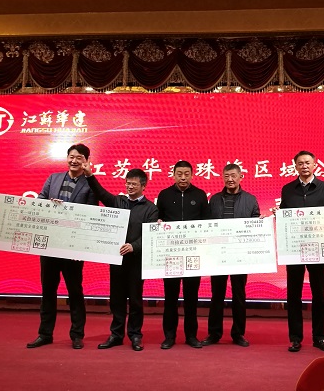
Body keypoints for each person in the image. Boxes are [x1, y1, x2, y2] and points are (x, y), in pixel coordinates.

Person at [27, 143, 98, 350]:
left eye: (79, 158)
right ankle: (45, 334)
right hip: (50, 243)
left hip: (73, 247)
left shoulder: (89, 184)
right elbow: (40, 201)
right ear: (67, 158)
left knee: (75, 291)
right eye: (71, 157)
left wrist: (82, 247)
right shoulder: (54, 178)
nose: (74, 161)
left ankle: (77, 335)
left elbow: (92, 214)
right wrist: (50, 205)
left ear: (86, 161)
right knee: (48, 290)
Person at [82, 165, 159, 352]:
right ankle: (116, 335)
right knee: (116, 299)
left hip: (137, 261)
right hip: (117, 260)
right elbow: (100, 193)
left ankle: (135, 335)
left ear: (143, 186)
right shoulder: (118, 201)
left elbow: (150, 234)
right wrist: (90, 175)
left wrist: (134, 246)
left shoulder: (151, 209)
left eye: (134, 184)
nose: (130, 187)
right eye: (128, 183)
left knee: (135, 300)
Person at [280, 151, 324, 353]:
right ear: (295, 166)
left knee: (319, 294)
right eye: (300, 163)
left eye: (307, 163)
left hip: (318, 248)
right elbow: (285, 215)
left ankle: (319, 337)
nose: (304, 166)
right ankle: (295, 338)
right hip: (294, 249)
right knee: (293, 294)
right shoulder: (288, 189)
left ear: (315, 165)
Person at [201, 163, 260, 348]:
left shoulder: (250, 199)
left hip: (240, 255)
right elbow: (207, 225)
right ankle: (214, 333)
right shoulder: (214, 200)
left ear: (241, 177)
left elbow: (256, 224)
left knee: (239, 295)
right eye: (226, 176)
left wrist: (258, 225)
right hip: (218, 255)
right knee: (216, 295)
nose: (230, 179)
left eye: (234, 175)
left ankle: (238, 333)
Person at [156, 160, 210, 349]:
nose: (183, 177)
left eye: (187, 174)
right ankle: (169, 336)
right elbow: (157, 219)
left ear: (192, 175)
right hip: (171, 254)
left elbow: (207, 224)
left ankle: (191, 336)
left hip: (193, 254)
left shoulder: (200, 195)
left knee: (191, 298)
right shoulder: (164, 195)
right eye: (179, 174)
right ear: (173, 175)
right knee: (170, 298)